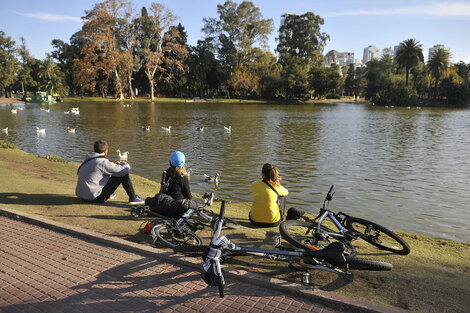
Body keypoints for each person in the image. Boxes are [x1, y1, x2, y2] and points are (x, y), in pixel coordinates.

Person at [145, 151, 213, 218]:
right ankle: (206, 200)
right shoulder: (182, 177)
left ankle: (205, 199)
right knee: (192, 202)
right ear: (183, 164)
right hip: (178, 206)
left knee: (190, 200)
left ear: (170, 162)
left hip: (165, 203)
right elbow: (188, 196)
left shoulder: (165, 173)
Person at [75, 140, 144, 204]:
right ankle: (133, 198)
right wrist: (124, 164)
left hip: (82, 196)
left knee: (114, 172)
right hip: (95, 198)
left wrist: (116, 166)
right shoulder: (102, 162)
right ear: (105, 151)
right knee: (123, 173)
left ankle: (110, 193)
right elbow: (125, 170)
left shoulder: (88, 159)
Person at [249, 163, 288, 227]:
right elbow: (286, 192)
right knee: (282, 196)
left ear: (262, 175)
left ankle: (259, 214)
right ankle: (280, 216)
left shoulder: (255, 185)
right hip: (273, 222)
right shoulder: (277, 187)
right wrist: (277, 183)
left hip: (254, 221)